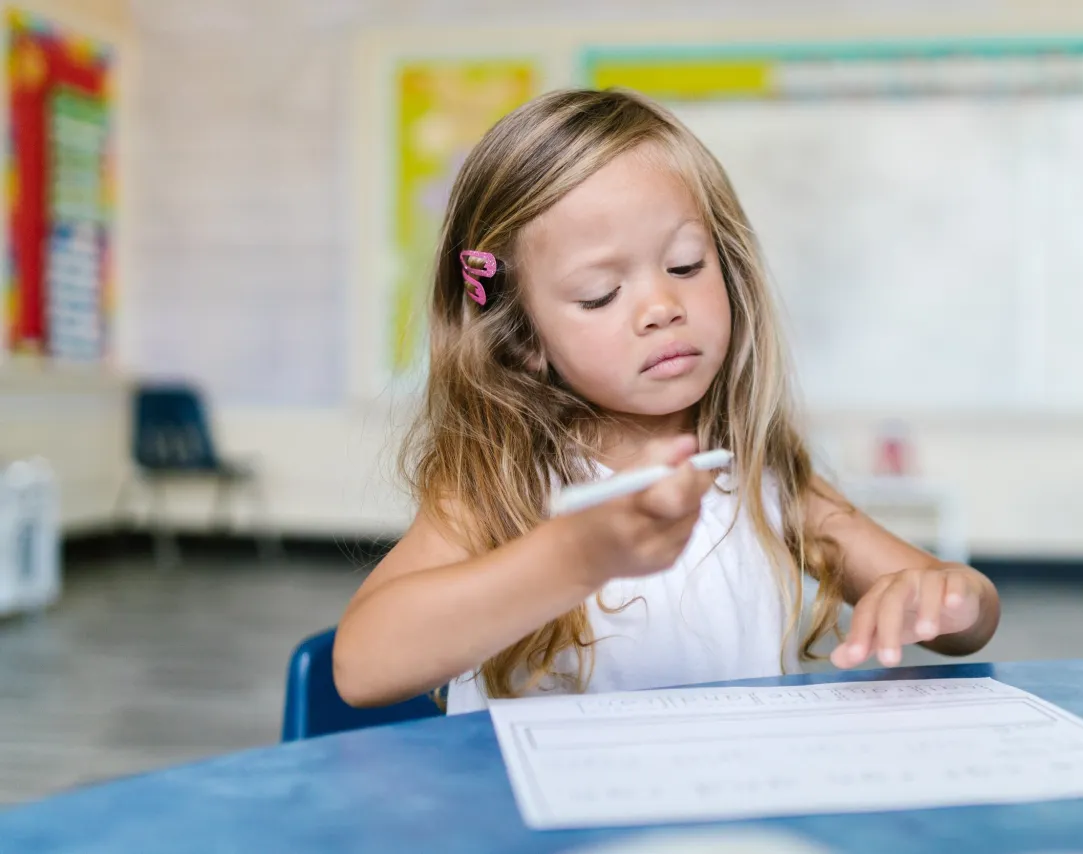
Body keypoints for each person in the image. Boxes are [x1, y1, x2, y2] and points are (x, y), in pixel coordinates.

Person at [334, 88, 1000, 714]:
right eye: (599, 294)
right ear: (523, 335)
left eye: (685, 265)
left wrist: (950, 597)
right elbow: (361, 668)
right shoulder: (500, 487)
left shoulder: (761, 475)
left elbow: (967, 621)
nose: (661, 307)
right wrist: (572, 559)